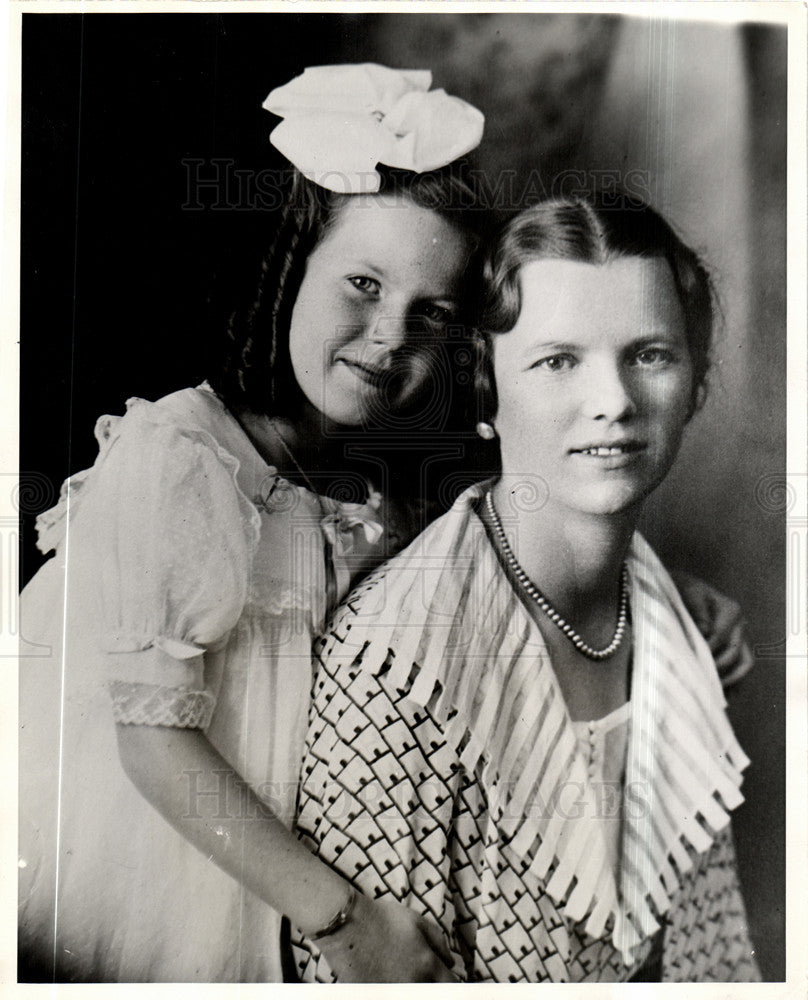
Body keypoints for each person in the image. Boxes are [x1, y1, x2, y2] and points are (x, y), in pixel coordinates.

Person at [17, 63, 485, 983]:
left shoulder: (344, 493)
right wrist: (347, 926)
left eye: (430, 314)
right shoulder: (182, 456)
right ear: (287, 272)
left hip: (248, 875)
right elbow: (155, 743)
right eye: (361, 283)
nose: (392, 335)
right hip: (131, 860)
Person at [289, 195, 761, 983]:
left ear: (698, 386)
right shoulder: (395, 670)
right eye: (557, 360)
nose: (611, 402)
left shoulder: (682, 633)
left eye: (650, 354)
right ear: (485, 395)